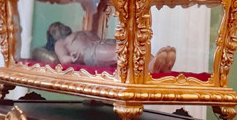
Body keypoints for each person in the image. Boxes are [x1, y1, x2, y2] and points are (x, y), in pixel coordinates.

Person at [45, 21, 176, 73]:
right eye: (55, 31)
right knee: (119, 52)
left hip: (101, 44)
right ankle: (150, 67)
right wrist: (72, 59)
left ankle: (158, 64)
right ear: (53, 38)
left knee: (129, 44)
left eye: (60, 25)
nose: (61, 28)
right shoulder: (60, 43)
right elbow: (64, 60)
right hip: (90, 53)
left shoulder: (78, 32)